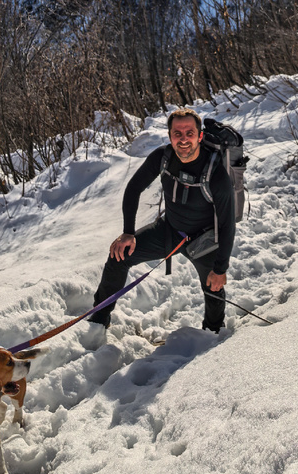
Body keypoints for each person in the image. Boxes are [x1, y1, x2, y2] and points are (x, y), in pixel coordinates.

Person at [88, 108, 235, 337]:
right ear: (170, 136)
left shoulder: (216, 173)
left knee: (213, 286)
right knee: (119, 255)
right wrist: (128, 233)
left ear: (200, 136)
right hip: (170, 230)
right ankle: (98, 321)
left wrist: (220, 269)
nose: (183, 139)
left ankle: (213, 333)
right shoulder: (162, 157)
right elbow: (133, 189)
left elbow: (227, 225)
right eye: (178, 133)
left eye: (189, 133)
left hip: (204, 239)